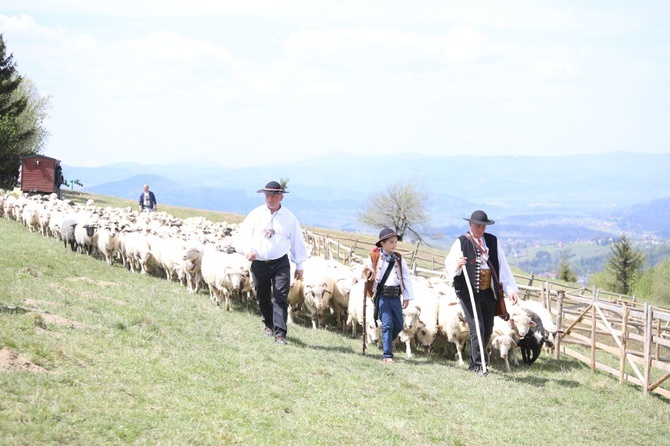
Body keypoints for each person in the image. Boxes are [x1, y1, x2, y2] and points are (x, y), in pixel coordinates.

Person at [444, 210, 519, 376]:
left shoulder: (492, 241)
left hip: (489, 291)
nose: (480, 229)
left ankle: (474, 362)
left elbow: (502, 266)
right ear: (470, 224)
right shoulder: (461, 242)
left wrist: (510, 289)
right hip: (468, 292)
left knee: (487, 328)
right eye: (477, 226)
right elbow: (449, 266)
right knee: (476, 326)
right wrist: (457, 266)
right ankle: (480, 365)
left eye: (483, 226)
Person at [236, 180, 308, 345]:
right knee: (262, 297)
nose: (271, 198)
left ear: (281, 197)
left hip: (280, 263)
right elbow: (243, 236)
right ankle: (269, 324)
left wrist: (299, 266)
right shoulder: (255, 215)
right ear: (264, 196)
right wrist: (247, 250)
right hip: (259, 263)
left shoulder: (289, 218)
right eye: (268, 195)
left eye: (274, 195)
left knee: (281, 297)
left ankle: (280, 334)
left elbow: (297, 241)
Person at [363, 228, 414, 363]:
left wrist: (407, 296)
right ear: (382, 243)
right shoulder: (374, 257)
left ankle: (385, 340)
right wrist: (367, 272)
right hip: (382, 296)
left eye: (395, 242)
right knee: (387, 325)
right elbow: (366, 272)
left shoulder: (398, 258)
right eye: (391, 242)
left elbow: (406, 276)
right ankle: (387, 355)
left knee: (398, 324)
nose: (394, 245)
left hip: (395, 296)